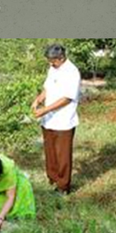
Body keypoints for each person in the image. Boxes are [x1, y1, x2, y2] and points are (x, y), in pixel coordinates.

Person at [31, 44, 81, 194]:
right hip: (49, 120)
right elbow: (47, 87)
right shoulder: (53, 68)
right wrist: (38, 100)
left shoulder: (72, 72)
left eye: (52, 60)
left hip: (64, 121)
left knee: (62, 155)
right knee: (50, 151)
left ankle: (63, 186)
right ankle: (52, 178)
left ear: (61, 58)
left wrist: (45, 110)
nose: (50, 63)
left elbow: (67, 98)